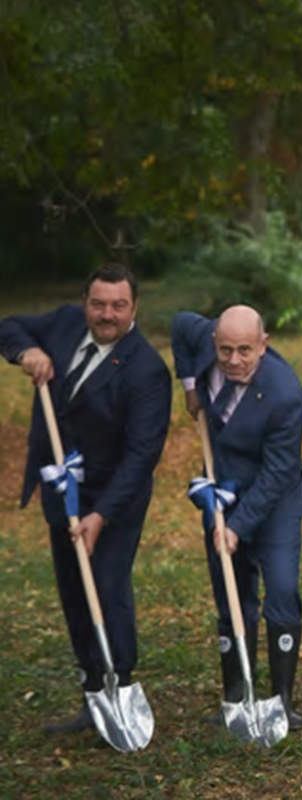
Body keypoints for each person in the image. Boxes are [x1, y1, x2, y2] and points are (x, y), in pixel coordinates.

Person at [0, 264, 172, 734]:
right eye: (98, 304)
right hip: (63, 487)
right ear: (84, 302)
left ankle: (121, 686)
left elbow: (141, 457)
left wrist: (100, 514)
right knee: (74, 593)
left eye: (119, 305)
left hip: (114, 495)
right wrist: (26, 351)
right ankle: (92, 696)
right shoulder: (63, 324)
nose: (107, 314)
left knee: (107, 587)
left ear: (135, 308)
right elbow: (8, 326)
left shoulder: (147, 370)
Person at [171, 304, 302, 728]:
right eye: (225, 350)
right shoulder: (203, 337)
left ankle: (281, 702)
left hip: (276, 498)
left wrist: (237, 526)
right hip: (222, 487)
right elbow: (179, 325)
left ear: (263, 345)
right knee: (231, 595)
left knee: (282, 590)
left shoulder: (286, 394)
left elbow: (277, 471)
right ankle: (235, 697)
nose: (233, 360)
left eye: (244, 351)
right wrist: (191, 384)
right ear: (215, 341)